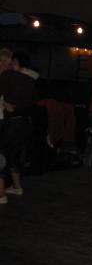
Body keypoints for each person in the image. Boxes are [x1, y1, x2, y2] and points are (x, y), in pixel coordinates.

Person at [0, 51, 37, 204]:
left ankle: (1, 194)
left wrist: (9, 107)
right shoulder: (28, 78)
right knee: (12, 155)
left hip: (10, 122)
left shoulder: (9, 77)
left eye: (9, 62)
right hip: (22, 122)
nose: (7, 65)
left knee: (2, 154)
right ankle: (16, 186)